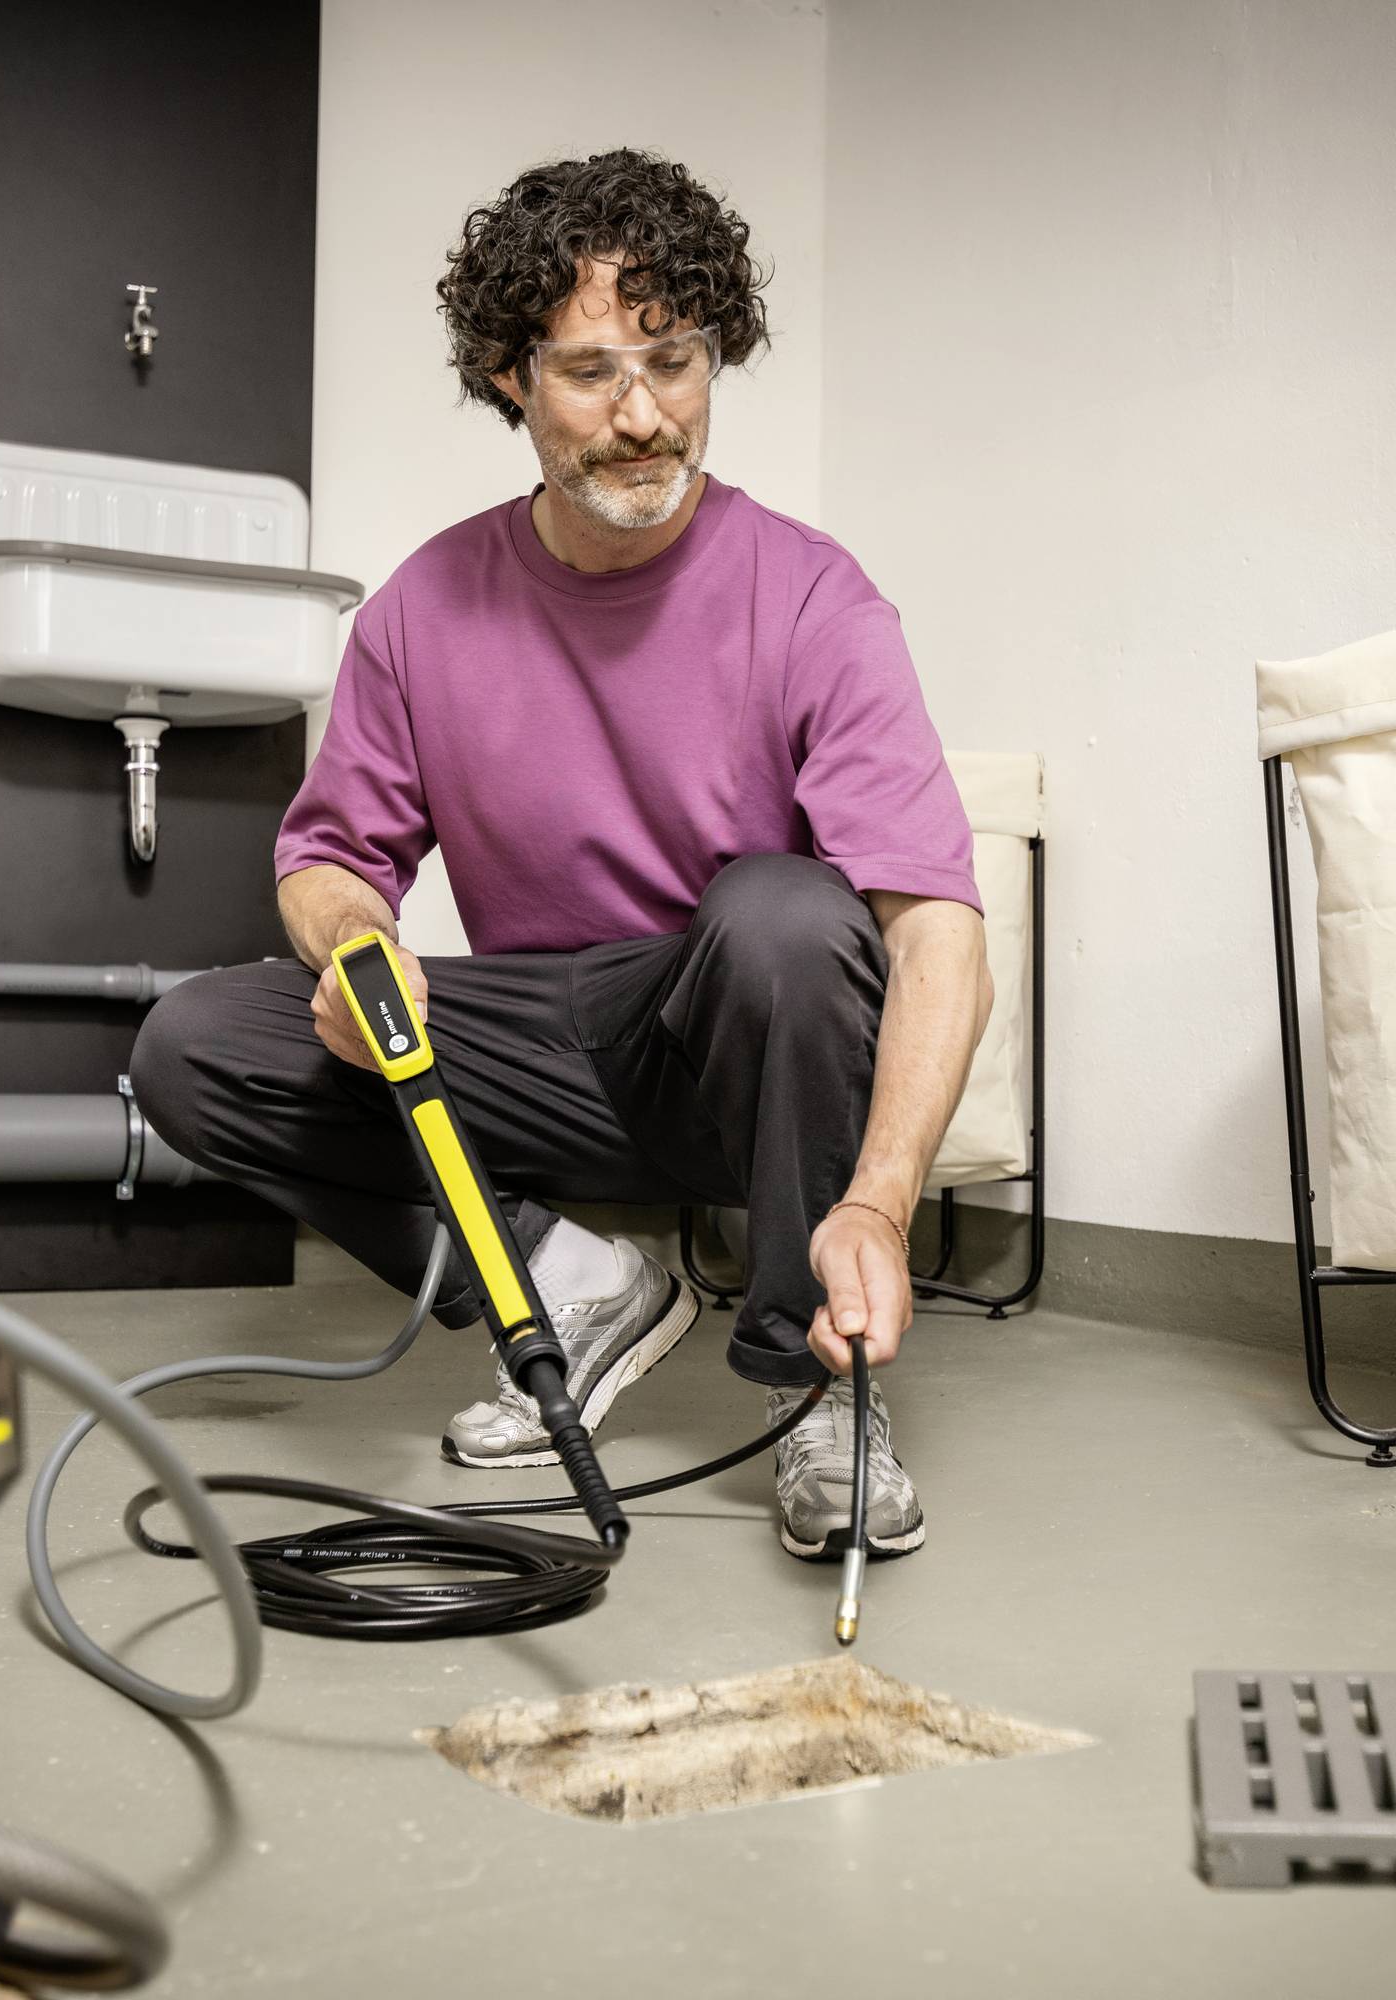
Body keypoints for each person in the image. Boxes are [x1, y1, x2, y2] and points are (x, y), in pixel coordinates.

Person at [130, 149, 988, 1562]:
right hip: (535, 1041)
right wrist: (353, 941)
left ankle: (821, 1384)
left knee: (785, 913)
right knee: (196, 1043)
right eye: (592, 372)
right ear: (510, 376)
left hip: (731, 1052)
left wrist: (882, 1205)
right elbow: (328, 859)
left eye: (676, 361)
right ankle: (569, 1283)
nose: (644, 415)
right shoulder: (424, 608)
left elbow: (937, 932)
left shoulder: (814, 599)